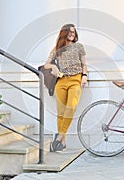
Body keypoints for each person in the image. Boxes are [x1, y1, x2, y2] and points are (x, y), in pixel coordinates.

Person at [44, 24, 87, 152]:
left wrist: (84, 76)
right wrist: (54, 67)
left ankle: (60, 136)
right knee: (61, 112)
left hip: (75, 80)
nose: (72, 34)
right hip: (61, 82)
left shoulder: (79, 47)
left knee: (71, 107)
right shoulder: (57, 48)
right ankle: (62, 143)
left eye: (74, 32)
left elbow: (84, 64)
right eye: (70, 32)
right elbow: (46, 64)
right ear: (64, 33)